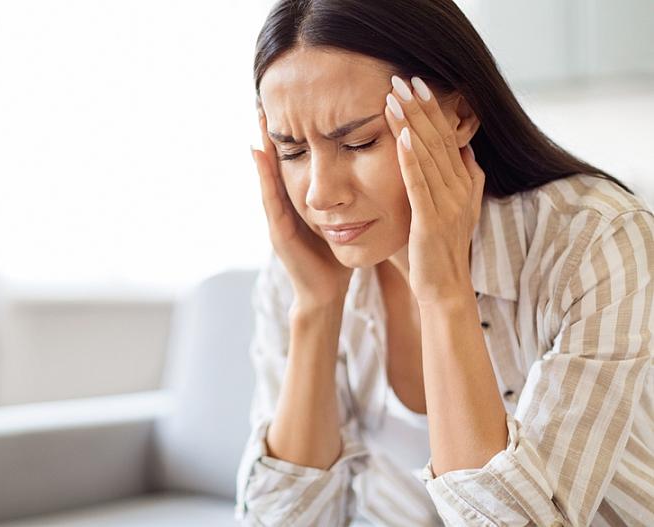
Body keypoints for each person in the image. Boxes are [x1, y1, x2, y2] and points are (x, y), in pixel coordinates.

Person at [234, 1, 654, 525]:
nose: (320, 195)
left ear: (458, 116)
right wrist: (316, 308)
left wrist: (443, 293)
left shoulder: (594, 240)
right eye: (292, 152)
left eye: (359, 142)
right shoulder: (304, 266)